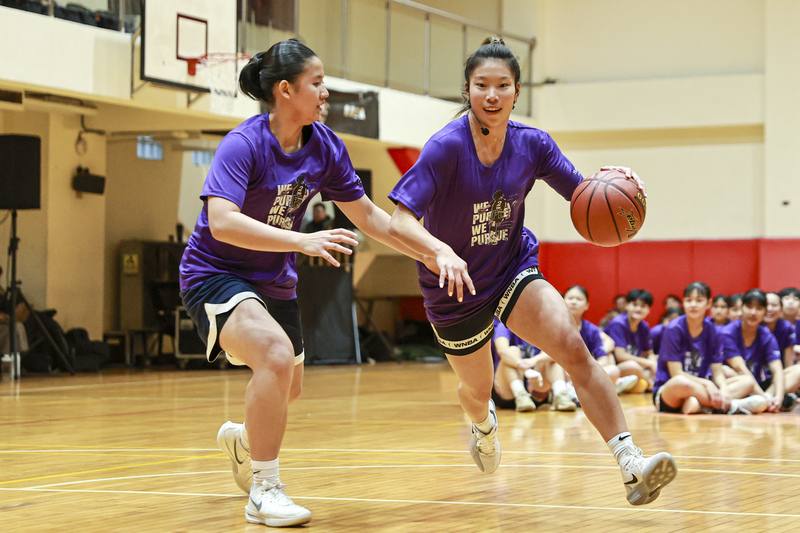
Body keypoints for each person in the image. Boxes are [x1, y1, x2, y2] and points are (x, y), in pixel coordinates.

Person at [387, 37, 675, 506]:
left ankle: (631, 463)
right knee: (476, 390)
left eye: (502, 85)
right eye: (482, 85)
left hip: (511, 268)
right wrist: (440, 251)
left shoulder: (533, 145)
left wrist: (619, 190)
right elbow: (400, 220)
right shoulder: (444, 148)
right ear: (468, 90)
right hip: (453, 286)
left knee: (574, 349)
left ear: (517, 91)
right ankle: (482, 424)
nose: (493, 95)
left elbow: (583, 193)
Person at [178, 39, 425, 527]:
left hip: (273, 282)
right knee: (272, 355)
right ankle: (264, 490)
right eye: (318, 83)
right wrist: (301, 240)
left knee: (286, 388)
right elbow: (222, 221)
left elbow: (372, 218)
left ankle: (244, 439)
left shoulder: (327, 146)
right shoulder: (244, 144)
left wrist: (433, 253)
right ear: (286, 90)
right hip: (215, 274)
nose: (326, 92)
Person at [652, 282, 767, 415]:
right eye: (689, 300)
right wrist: (708, 384)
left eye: (699, 300)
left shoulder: (714, 331)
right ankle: (732, 405)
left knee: (746, 380)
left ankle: (705, 404)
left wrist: (723, 389)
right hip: (671, 392)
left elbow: (717, 372)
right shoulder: (674, 329)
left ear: (708, 303)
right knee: (682, 382)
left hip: (700, 390)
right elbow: (676, 373)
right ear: (683, 303)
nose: (693, 305)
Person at [719, 289, 799, 413]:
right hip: (737, 383)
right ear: (742, 308)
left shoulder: (766, 335)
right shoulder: (728, 333)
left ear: (764, 312)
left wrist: (778, 397)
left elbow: (777, 369)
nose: (753, 313)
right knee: (729, 372)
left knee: (797, 371)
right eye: (749, 307)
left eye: (759, 308)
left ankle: (759, 401)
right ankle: (755, 402)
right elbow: (740, 368)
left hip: (758, 384)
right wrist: (764, 398)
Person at [563, 285, 638, 394]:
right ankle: (611, 385)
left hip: (587, 370)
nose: (574, 302)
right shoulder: (556, 326)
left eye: (579, 299)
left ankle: (591, 388)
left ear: (587, 305)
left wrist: (589, 368)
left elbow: (602, 355)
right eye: (570, 298)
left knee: (612, 369)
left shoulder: (591, 330)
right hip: (564, 372)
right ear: (562, 301)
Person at [491, 319, 577, 411]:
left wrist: (533, 361)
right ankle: (521, 395)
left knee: (551, 357)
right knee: (512, 351)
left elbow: (556, 351)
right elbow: (502, 351)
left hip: (538, 386)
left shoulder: (545, 325)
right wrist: (521, 365)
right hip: (509, 388)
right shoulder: (505, 326)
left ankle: (561, 395)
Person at [604, 289, 656, 390]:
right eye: (635, 304)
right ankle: (651, 385)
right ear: (627, 305)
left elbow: (649, 352)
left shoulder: (644, 326)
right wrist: (649, 363)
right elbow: (620, 356)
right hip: (613, 366)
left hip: (634, 367)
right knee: (634, 366)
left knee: (657, 362)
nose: (638, 309)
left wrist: (653, 362)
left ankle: (640, 384)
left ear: (649, 310)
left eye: (643, 306)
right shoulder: (618, 324)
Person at [764, 291, 797, 368]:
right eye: (766, 305)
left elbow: (788, 364)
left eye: (774, 305)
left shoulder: (786, 328)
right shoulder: (753, 327)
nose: (769, 309)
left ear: (781, 309)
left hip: (781, 372)